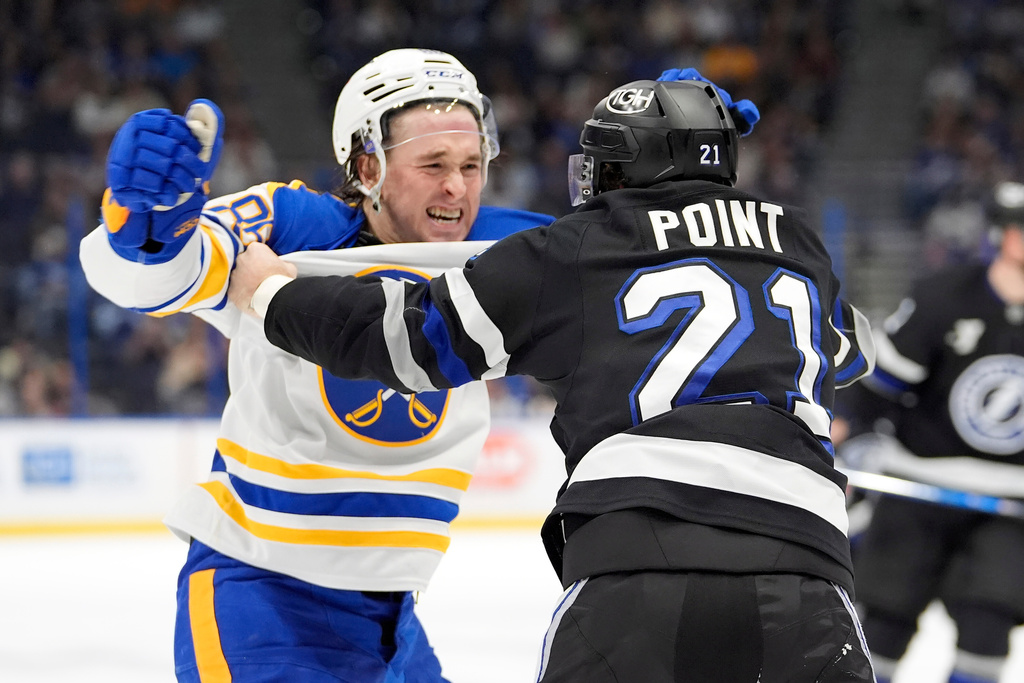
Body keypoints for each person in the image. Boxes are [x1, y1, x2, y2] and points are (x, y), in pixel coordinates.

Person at [229, 74, 878, 682]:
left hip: (635, 571)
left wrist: (273, 299)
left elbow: (408, 343)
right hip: (808, 572)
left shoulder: (582, 244)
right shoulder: (798, 242)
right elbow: (853, 352)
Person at [79, 48, 555, 683]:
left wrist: (675, 182)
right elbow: (159, 277)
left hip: (394, 624)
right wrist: (146, 230)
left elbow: (632, 264)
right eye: (434, 165)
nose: (458, 188)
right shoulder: (295, 225)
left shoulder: (504, 247)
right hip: (262, 606)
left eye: (472, 166)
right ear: (367, 166)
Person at [832, 181, 1024, 683]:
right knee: (886, 623)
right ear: (1005, 235)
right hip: (920, 484)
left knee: (989, 624)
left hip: (1009, 502)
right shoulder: (945, 296)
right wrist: (843, 431)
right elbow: (878, 385)